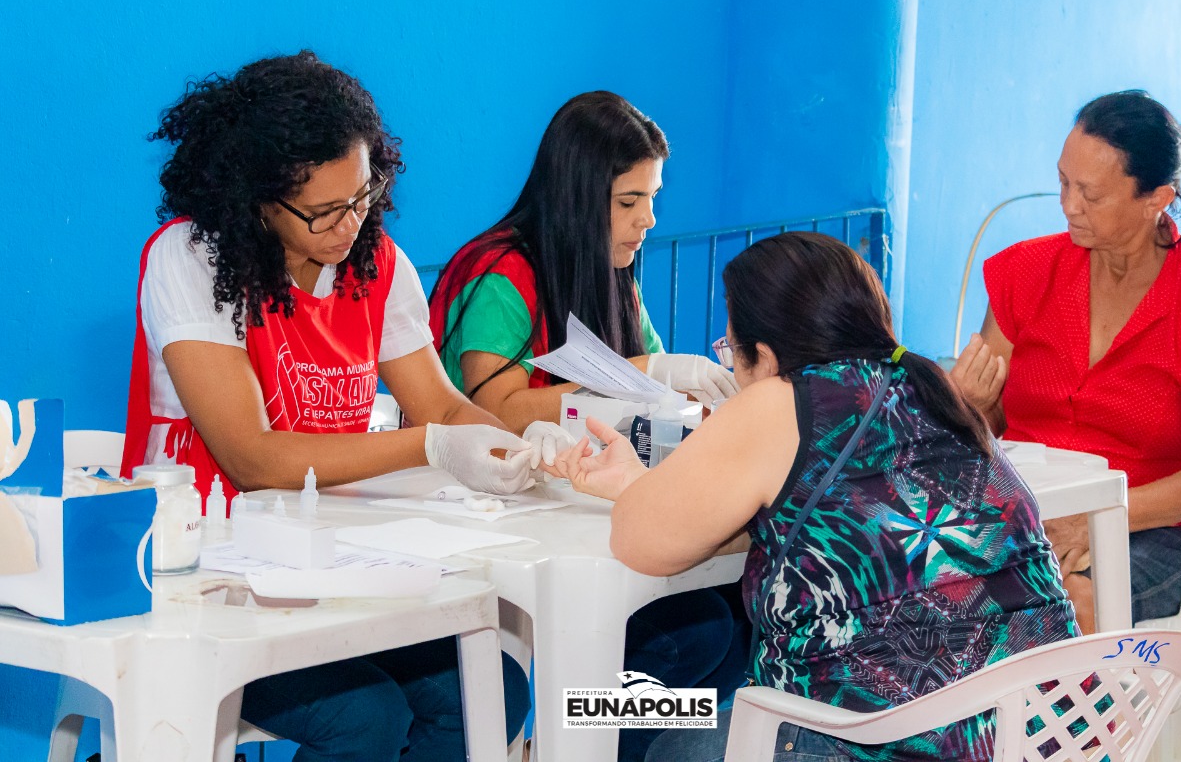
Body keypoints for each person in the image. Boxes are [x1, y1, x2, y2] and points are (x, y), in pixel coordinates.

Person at [119, 51, 529, 761]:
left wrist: (529, 447)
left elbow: (439, 403)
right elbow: (252, 457)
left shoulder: (378, 262)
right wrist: (429, 447)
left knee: (494, 690)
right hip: (209, 578)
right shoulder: (188, 261)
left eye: (363, 195)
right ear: (257, 199)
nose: (349, 225)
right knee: (365, 718)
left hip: (330, 567)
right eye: (323, 211)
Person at [551, 232, 1077, 761]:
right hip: (1039, 730)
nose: (732, 367)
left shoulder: (782, 402)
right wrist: (637, 483)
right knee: (687, 700)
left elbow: (638, 541)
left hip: (883, 738)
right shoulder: (930, 388)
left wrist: (636, 492)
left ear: (768, 354)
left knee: (652, 733)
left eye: (731, 349)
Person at [428, 90, 744, 762]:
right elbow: (503, 408)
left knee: (722, 627)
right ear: (577, 194)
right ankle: (575, 742)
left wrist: (705, 403)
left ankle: (598, 741)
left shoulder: (614, 275)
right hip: (494, 532)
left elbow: (651, 387)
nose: (648, 220)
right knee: (684, 637)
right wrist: (652, 368)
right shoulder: (498, 274)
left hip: (591, 518)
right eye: (629, 202)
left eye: (652, 199)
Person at [951, 90, 1181, 634]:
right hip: (1031, 512)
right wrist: (975, 408)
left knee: (1063, 607)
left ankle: (1068, 724)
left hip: (1165, 529)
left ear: (1157, 198)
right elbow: (989, 432)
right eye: (1063, 182)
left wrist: (1097, 522)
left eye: (1091, 194)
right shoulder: (1024, 275)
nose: (1068, 205)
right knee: (908, 579)